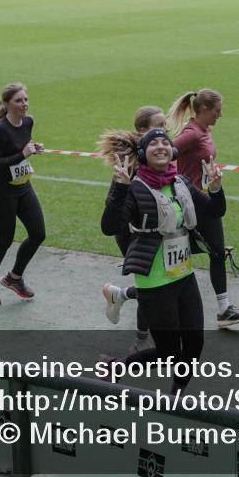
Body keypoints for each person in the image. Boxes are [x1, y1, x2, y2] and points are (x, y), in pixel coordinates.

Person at [99, 127, 225, 394]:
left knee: (194, 345)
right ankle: (118, 368)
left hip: (183, 275)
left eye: (165, 142)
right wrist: (119, 188)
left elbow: (215, 210)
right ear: (144, 154)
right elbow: (110, 226)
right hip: (154, 281)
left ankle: (175, 397)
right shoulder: (134, 188)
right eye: (153, 143)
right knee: (169, 352)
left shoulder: (180, 182)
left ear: (173, 151)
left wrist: (216, 188)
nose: (161, 146)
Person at [166, 89, 239, 328]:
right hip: (195, 201)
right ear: (203, 109)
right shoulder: (191, 134)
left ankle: (222, 308)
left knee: (209, 250)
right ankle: (224, 310)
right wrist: (177, 181)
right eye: (217, 110)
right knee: (214, 251)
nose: (220, 115)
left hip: (202, 197)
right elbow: (166, 153)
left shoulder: (204, 130)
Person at [97, 105, 168, 352]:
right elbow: (113, 207)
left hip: (154, 232)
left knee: (160, 284)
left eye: (165, 126)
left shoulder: (157, 155)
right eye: (159, 126)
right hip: (131, 233)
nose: (165, 131)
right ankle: (141, 339)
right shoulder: (129, 161)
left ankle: (120, 294)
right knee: (153, 285)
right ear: (142, 130)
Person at [0, 83, 46, 306]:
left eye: (26, 99)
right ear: (7, 104)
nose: (24, 104)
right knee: (5, 239)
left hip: (23, 186)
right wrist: (22, 154)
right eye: (19, 100)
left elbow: (21, 149)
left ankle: (14, 278)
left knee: (38, 234)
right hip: (0, 191)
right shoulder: (0, 128)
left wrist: (32, 149)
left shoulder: (28, 121)